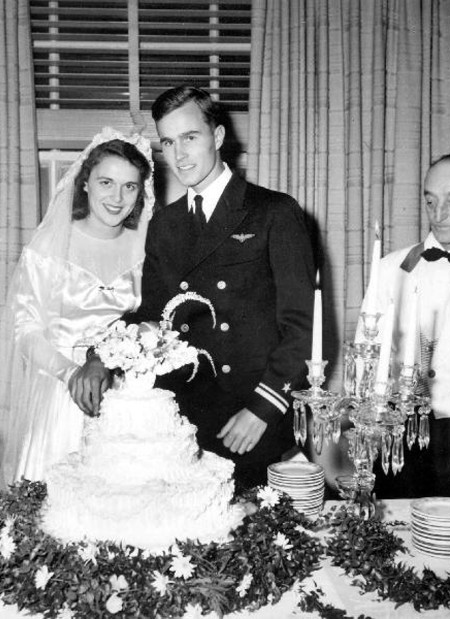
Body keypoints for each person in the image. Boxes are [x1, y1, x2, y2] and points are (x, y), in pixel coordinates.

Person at [72, 86, 316, 492]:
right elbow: (151, 315)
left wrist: (263, 407)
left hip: (252, 416)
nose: (179, 154)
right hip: (184, 419)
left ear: (218, 137)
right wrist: (100, 356)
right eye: (168, 142)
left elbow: (304, 328)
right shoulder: (165, 225)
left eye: (190, 137)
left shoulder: (273, 211)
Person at [0, 128, 156, 490]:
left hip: (128, 400)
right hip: (61, 397)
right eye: (106, 182)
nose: (117, 197)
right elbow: (25, 330)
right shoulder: (49, 247)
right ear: (85, 183)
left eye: (130, 186)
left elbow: (155, 320)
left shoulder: (148, 249)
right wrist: (70, 373)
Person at [358, 153, 450, 498]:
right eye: (430, 200)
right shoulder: (388, 268)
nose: (438, 214)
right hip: (398, 431)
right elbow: (365, 355)